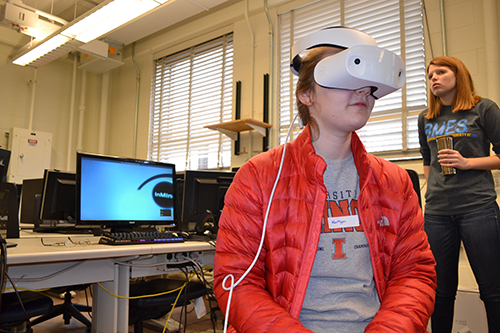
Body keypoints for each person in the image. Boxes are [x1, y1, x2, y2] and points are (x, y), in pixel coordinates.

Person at [213, 26, 436, 333]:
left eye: (368, 84)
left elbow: (414, 273)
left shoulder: (395, 182)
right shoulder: (259, 176)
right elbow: (236, 280)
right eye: (346, 79)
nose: (363, 92)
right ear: (307, 95)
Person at [418, 56, 500, 333]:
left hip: (478, 208)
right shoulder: (426, 117)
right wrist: (434, 193)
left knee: (492, 290)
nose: (434, 79)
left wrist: (467, 163)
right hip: (437, 214)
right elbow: (427, 161)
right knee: (440, 292)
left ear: (459, 75)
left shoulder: (484, 108)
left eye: (441, 72)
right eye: (430, 76)